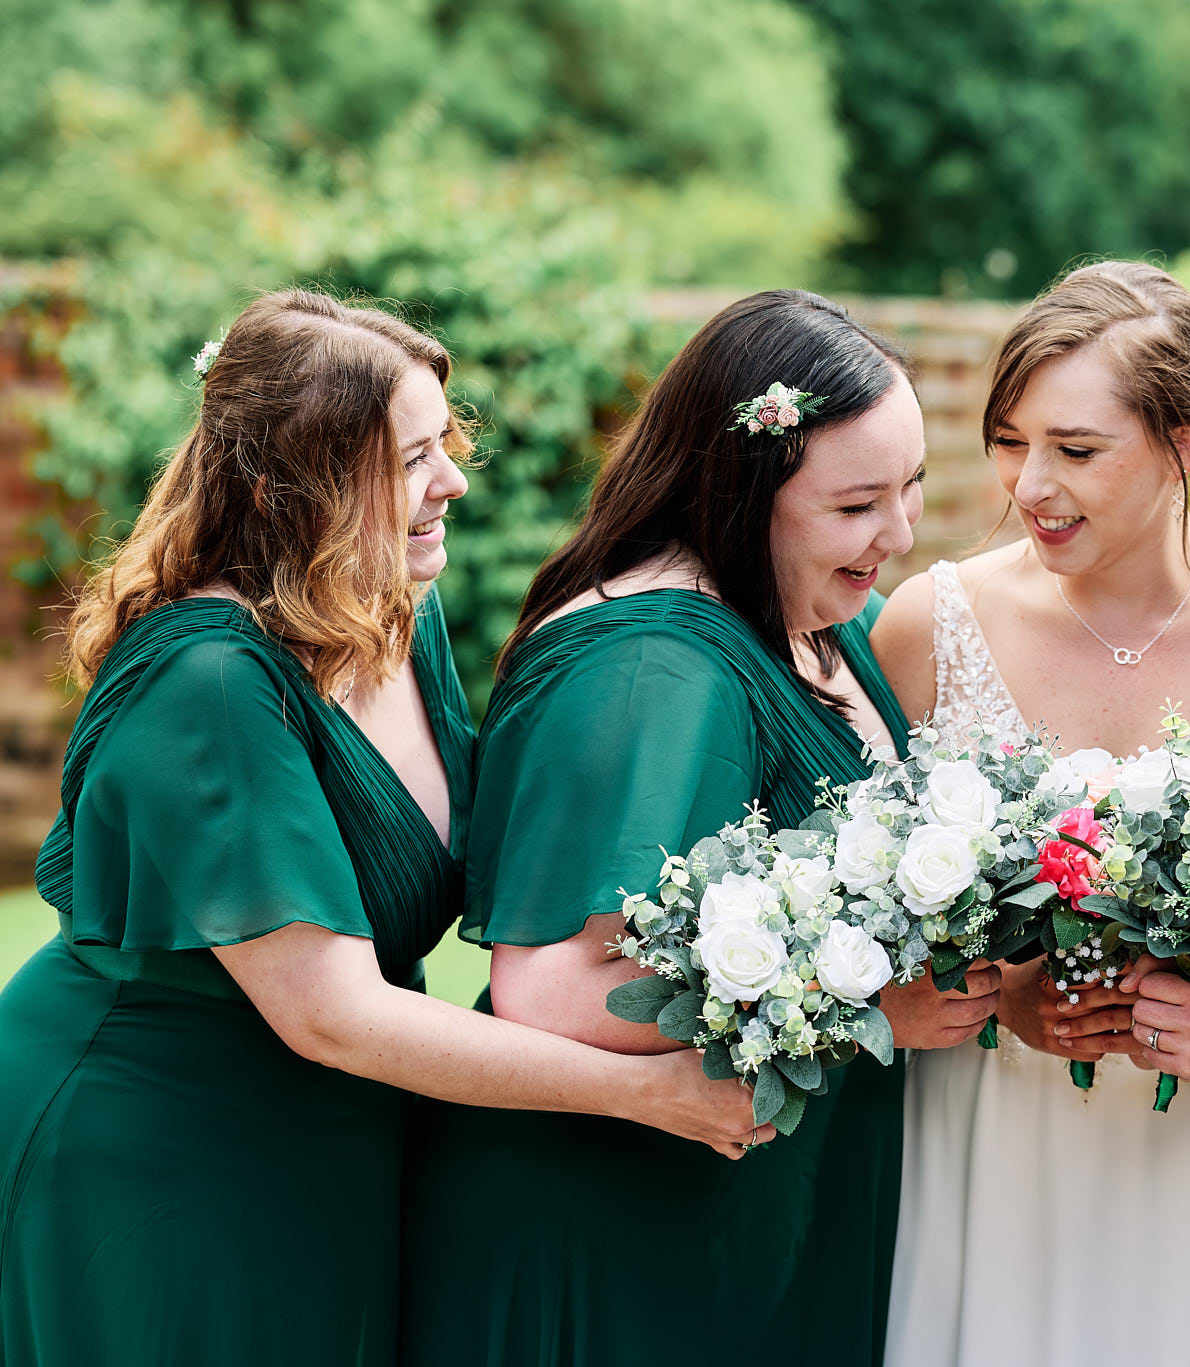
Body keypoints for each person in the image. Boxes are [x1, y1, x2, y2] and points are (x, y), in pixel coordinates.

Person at [0, 290, 753, 1366]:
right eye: (408, 458)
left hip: (332, 1131)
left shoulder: (396, 607)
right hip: (154, 1142)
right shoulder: (208, 677)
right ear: (282, 482)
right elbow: (334, 1014)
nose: (450, 479)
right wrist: (648, 1089)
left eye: (443, 445)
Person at [400, 289, 1000, 1367]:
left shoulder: (820, 616)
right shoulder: (651, 667)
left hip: (750, 1197)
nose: (898, 534)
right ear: (739, 487)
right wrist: (867, 1001)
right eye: (856, 505)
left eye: (909, 488)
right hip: (625, 1213)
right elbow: (554, 987)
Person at [871, 261, 1190, 1366]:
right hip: (990, 1150)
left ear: (1184, 441)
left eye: (1075, 449)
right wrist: (1000, 998)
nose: (1030, 483)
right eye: (1008, 441)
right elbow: (856, 914)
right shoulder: (926, 623)